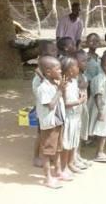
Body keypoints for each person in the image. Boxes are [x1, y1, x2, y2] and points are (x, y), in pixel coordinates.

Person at [35, 56, 66, 188]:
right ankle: (48, 178)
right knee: (47, 151)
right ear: (48, 72)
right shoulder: (43, 88)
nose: (60, 71)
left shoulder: (54, 83)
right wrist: (60, 91)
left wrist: (60, 88)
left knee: (58, 149)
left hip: (58, 122)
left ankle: (58, 171)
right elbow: (51, 105)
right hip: (49, 125)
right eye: (58, 69)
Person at [32, 40, 58, 168]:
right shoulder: (40, 74)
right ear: (42, 54)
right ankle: (36, 156)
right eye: (52, 50)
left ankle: (49, 155)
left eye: (55, 49)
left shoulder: (49, 69)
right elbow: (43, 91)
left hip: (50, 108)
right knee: (41, 133)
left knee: (49, 134)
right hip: (43, 109)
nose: (56, 52)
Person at [60, 57, 87, 180]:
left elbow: (74, 94)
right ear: (70, 70)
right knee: (66, 144)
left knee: (73, 141)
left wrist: (79, 95)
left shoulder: (74, 81)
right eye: (76, 66)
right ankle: (63, 166)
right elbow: (64, 103)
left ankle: (71, 163)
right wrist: (79, 101)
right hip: (68, 118)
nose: (78, 68)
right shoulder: (64, 84)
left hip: (76, 117)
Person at [88, 53, 106, 163]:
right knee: (102, 130)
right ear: (101, 65)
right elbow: (98, 95)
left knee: (102, 130)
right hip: (100, 107)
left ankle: (100, 152)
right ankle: (99, 153)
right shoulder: (99, 79)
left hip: (105, 107)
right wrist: (100, 111)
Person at [74, 50, 92, 169]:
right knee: (75, 133)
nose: (86, 63)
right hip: (75, 109)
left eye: (87, 60)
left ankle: (78, 155)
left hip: (83, 107)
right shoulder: (72, 77)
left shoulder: (83, 75)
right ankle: (74, 157)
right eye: (83, 61)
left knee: (80, 132)